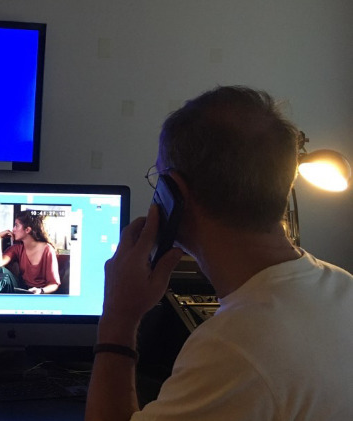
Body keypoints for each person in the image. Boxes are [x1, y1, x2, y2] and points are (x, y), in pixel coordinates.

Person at [85, 86, 353, 421]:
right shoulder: (344, 286)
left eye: (158, 179)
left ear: (174, 191)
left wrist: (119, 317)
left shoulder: (234, 349)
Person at [0, 210, 61, 294]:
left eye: (16, 225)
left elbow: (54, 284)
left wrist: (40, 291)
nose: (13, 229)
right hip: (22, 290)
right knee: (1, 272)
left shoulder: (47, 250)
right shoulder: (17, 248)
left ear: (27, 230)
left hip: (40, 294)